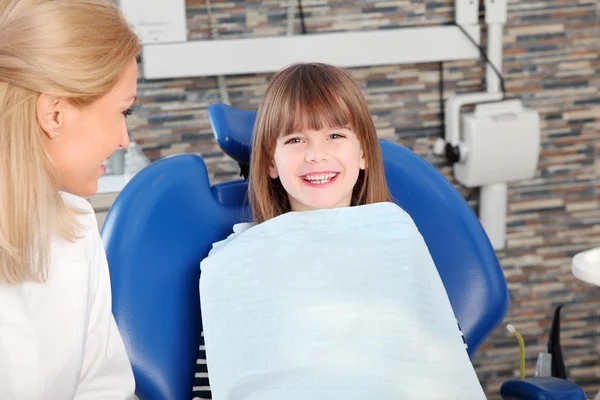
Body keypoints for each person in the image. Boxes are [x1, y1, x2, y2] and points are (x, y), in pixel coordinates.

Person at [196, 63, 485, 399]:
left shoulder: (399, 250)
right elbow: (213, 383)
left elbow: (448, 368)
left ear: (363, 152)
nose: (316, 154)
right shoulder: (236, 267)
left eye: (335, 135)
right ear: (270, 162)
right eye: (295, 139)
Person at [0, 0, 141, 398]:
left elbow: (103, 388)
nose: (123, 140)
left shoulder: (76, 226)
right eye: (123, 112)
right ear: (55, 113)